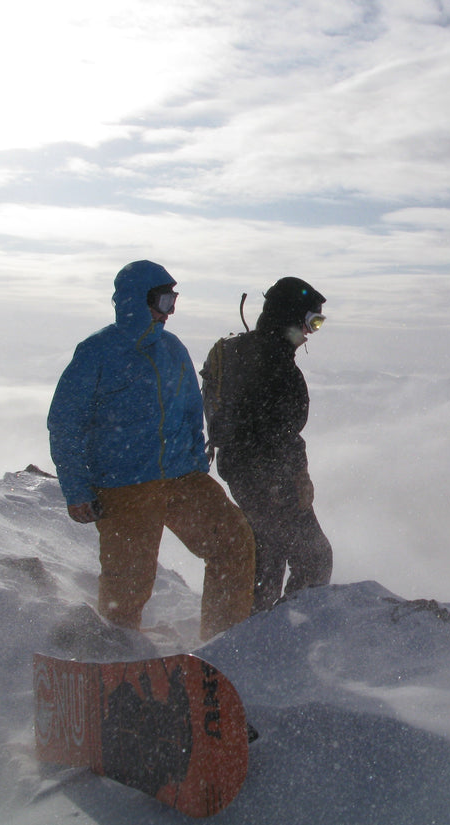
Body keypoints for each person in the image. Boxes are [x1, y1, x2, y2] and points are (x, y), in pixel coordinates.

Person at [48, 260, 255, 640]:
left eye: (173, 299)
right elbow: (65, 423)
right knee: (128, 581)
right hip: (124, 486)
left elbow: (192, 411)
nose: (170, 311)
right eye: (163, 300)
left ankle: (223, 645)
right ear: (135, 300)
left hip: (181, 478)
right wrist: (76, 489)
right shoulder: (97, 352)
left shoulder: (172, 349)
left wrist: (195, 465)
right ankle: (116, 656)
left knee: (234, 544)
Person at [205, 277, 333, 613]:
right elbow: (278, 434)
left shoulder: (237, 351)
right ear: (290, 317)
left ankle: (250, 634)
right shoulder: (275, 365)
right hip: (269, 478)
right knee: (313, 558)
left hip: (242, 472)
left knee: (266, 556)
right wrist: (296, 478)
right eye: (311, 322)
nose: (311, 332)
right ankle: (275, 636)